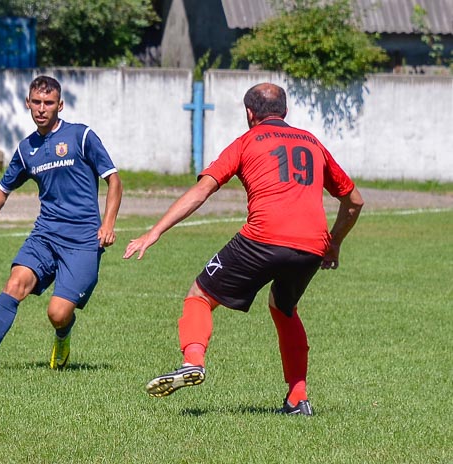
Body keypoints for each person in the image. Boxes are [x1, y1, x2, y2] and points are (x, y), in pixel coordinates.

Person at [123, 83, 363, 415]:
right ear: (286, 111)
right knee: (284, 308)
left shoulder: (246, 141)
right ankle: (298, 399)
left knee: (199, 296)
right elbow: (354, 201)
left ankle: (192, 361)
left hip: (263, 238)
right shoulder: (313, 142)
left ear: (249, 114)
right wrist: (333, 244)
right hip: (311, 245)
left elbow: (200, 193)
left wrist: (155, 232)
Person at [0, 75, 122, 374]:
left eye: (48, 103)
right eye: (36, 102)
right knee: (14, 283)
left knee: (57, 314)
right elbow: (3, 186)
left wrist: (108, 224)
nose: (42, 109)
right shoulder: (26, 149)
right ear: (28, 103)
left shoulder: (81, 136)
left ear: (60, 105)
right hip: (45, 234)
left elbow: (113, 179)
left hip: (83, 239)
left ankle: (63, 335)